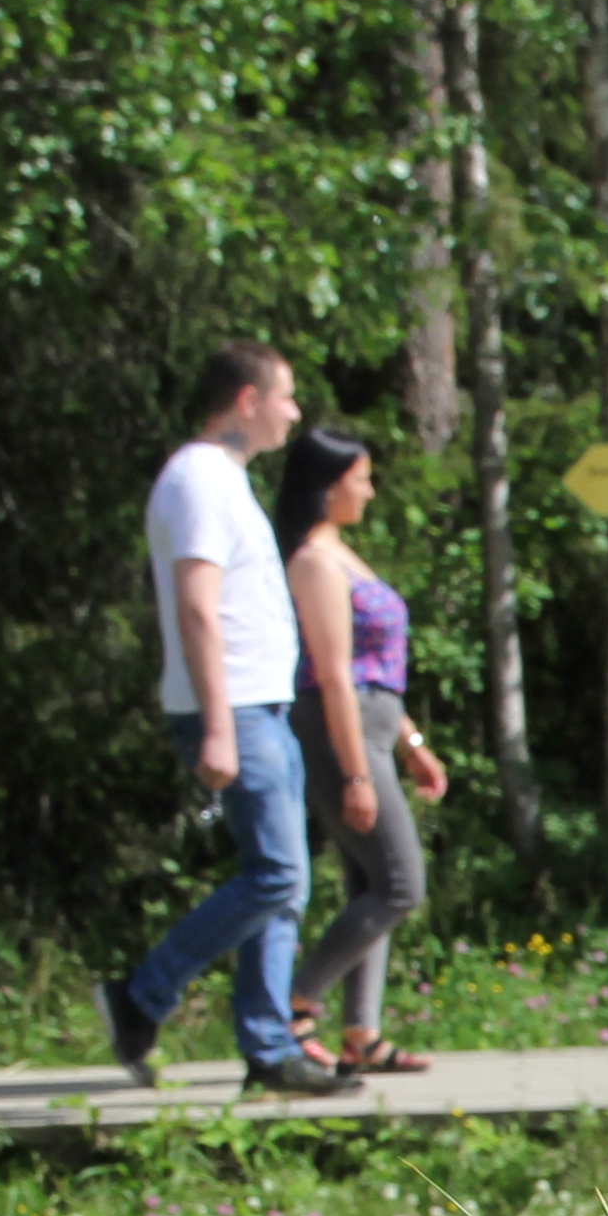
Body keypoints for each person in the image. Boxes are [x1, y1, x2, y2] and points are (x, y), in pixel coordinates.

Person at [105, 342, 352, 1097]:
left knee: (285, 882)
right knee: (278, 875)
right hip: (236, 708)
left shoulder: (225, 481)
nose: (294, 411)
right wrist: (217, 723)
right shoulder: (199, 480)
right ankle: (143, 995)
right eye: (287, 396)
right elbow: (195, 605)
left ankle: (268, 1047)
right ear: (247, 400)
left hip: (258, 706)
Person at [275, 427, 447, 1076]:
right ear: (329, 485)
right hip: (337, 729)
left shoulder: (341, 554)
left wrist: (412, 744)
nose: (370, 489)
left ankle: (361, 1035)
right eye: (361, 477)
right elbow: (336, 672)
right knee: (401, 884)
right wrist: (355, 773)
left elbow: (381, 671)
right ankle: (294, 1006)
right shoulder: (315, 563)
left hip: (374, 725)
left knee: (370, 883)